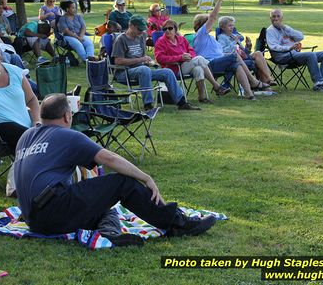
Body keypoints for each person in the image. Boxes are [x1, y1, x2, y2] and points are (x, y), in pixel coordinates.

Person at [14, 94, 217, 246]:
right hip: (53, 210)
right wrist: (146, 178)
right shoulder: (67, 136)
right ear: (67, 116)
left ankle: (110, 236)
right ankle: (177, 224)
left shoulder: (26, 136)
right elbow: (109, 158)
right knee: (123, 182)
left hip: (35, 219)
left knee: (104, 205)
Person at [112, 15, 199, 111]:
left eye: (143, 29)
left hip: (142, 70)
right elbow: (118, 61)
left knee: (167, 72)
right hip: (123, 73)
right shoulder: (121, 40)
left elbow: (142, 56)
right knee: (144, 69)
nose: (142, 32)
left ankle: (182, 103)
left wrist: (149, 61)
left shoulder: (142, 36)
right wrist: (140, 60)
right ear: (131, 26)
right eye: (139, 29)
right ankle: (148, 105)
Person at [192, 0, 266, 99]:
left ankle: (249, 93)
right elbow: (213, 17)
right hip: (209, 65)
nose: (212, 25)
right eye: (209, 23)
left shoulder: (210, 38)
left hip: (219, 62)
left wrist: (229, 53)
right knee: (234, 56)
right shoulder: (200, 35)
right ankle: (253, 81)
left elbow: (220, 53)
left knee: (237, 65)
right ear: (204, 25)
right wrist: (220, 0)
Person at [154, 19, 229, 104]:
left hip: (186, 64)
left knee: (198, 69)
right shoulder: (160, 42)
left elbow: (192, 50)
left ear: (175, 30)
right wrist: (180, 57)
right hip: (173, 68)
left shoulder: (182, 39)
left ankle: (202, 97)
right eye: (165, 29)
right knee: (200, 59)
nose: (167, 30)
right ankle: (216, 86)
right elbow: (159, 58)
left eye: (170, 28)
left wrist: (190, 56)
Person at [266, 9, 323, 92]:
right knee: (310, 55)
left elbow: (300, 37)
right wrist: (289, 48)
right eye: (273, 16)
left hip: (295, 54)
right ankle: (318, 83)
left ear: (282, 18)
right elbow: (274, 47)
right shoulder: (270, 31)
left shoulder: (285, 28)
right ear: (270, 18)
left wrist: (284, 27)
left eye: (278, 16)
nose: (276, 19)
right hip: (283, 56)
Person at [217, 16, 275, 85]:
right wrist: (235, 41)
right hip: (234, 60)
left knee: (258, 53)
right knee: (258, 62)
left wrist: (248, 46)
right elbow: (223, 50)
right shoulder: (221, 37)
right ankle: (265, 85)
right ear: (223, 27)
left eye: (233, 25)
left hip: (243, 57)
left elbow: (244, 52)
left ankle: (269, 78)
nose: (232, 27)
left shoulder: (233, 35)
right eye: (229, 26)